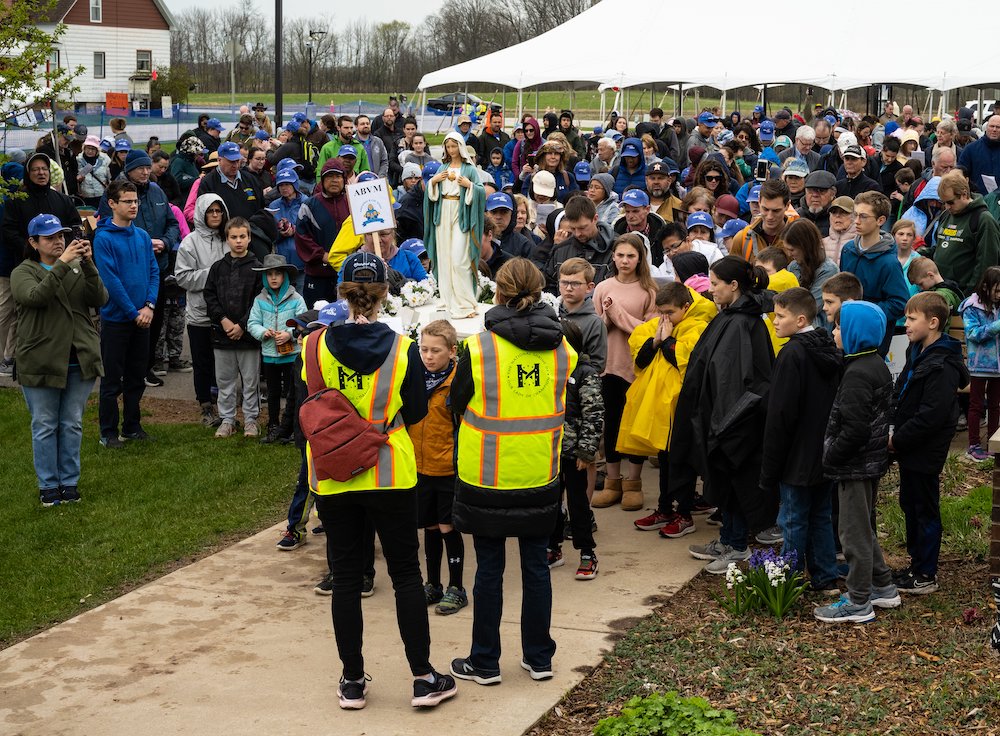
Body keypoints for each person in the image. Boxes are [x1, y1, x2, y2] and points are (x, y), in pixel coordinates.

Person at [301, 251, 458, 709]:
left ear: (341, 292)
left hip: (333, 476)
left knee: (346, 577)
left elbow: (309, 408)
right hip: (390, 471)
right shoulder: (405, 349)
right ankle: (423, 677)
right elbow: (413, 410)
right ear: (385, 294)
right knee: (406, 574)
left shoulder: (313, 346)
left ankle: (352, 680)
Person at [449, 257, 577, 686]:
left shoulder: (480, 348)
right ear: (540, 292)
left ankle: (485, 663)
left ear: (498, 293)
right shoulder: (562, 348)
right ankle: (539, 658)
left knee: (488, 570)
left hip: (487, 475)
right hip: (540, 472)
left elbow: (455, 404)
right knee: (536, 568)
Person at [682, 256, 776, 574]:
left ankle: (737, 545)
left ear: (734, 286)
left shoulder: (743, 323)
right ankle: (727, 537)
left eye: (715, 283)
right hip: (722, 417)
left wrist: (723, 422)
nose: (710, 290)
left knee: (735, 481)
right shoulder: (733, 317)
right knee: (724, 481)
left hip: (735, 421)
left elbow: (738, 379)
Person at [12, 214, 107, 505]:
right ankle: (48, 486)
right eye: (50, 237)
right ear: (33, 242)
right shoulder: (22, 272)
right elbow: (37, 297)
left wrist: (88, 264)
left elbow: (100, 298)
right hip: (40, 359)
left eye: (61, 236)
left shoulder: (78, 267)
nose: (58, 241)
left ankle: (69, 482)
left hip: (79, 357)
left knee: (72, 423)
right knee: (44, 424)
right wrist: (64, 264)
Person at [814, 302, 898, 624]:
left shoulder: (857, 374)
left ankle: (859, 601)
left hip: (854, 465)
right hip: (868, 463)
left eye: (838, 327)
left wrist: (831, 456)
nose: (834, 332)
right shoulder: (872, 363)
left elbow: (855, 430)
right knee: (863, 528)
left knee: (852, 534)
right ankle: (883, 585)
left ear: (853, 333)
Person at [759, 287, 841, 594]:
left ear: (801, 318)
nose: (775, 321)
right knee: (820, 515)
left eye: (781, 316)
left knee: (792, 520)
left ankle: (787, 583)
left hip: (795, 455)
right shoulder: (828, 348)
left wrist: (770, 465)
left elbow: (780, 414)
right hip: (824, 451)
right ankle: (825, 577)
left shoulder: (791, 353)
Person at [890, 292, 969, 594]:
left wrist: (897, 440)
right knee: (909, 502)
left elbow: (931, 415)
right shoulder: (917, 349)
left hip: (925, 447)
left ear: (933, 323)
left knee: (924, 507)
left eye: (912, 319)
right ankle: (916, 564)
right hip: (910, 442)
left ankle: (926, 574)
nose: (906, 324)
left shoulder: (942, 364)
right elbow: (902, 388)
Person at [629, 282, 716, 538]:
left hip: (685, 406)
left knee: (683, 462)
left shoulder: (698, 325)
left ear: (686, 307)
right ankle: (664, 508)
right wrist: (656, 342)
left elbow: (685, 360)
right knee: (665, 459)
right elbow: (642, 361)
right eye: (661, 313)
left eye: (670, 312)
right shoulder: (666, 326)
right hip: (662, 407)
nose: (664, 318)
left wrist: (667, 341)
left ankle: (684, 513)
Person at [589, 234, 658, 512]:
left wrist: (619, 315)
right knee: (613, 424)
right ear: (613, 257)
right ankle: (613, 482)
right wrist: (607, 318)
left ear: (640, 258)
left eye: (631, 255)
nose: (625, 260)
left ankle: (633, 483)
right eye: (620, 255)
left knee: (635, 426)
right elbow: (595, 331)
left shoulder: (649, 291)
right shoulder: (603, 287)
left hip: (636, 368)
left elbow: (650, 334)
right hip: (608, 366)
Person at [405, 320, 467, 615]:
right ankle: (433, 584)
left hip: (447, 468)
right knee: (428, 526)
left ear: (452, 352)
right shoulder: (414, 378)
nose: (428, 356)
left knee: (447, 526)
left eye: (435, 351)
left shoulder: (458, 382)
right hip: (420, 467)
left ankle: (456, 586)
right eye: (423, 349)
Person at [92, 180, 159, 448]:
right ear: (112, 204)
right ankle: (107, 432)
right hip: (117, 320)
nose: (133, 205)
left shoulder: (142, 236)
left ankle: (132, 426)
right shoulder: (103, 237)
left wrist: (150, 306)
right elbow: (111, 282)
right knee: (111, 379)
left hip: (143, 318)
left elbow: (154, 271)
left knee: (135, 376)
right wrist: (134, 312)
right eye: (127, 201)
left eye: (135, 201)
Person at [546, 318, 604, 578]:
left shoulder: (585, 372)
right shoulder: (549, 370)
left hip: (574, 452)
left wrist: (586, 451)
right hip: (549, 450)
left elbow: (594, 413)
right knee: (550, 502)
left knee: (577, 502)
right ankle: (553, 547)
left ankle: (587, 553)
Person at [204, 216, 262, 438]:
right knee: (225, 381)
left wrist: (243, 325)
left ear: (249, 238)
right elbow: (210, 296)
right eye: (234, 237)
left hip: (248, 337)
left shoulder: (258, 268)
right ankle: (227, 419)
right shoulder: (218, 268)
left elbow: (260, 300)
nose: (238, 241)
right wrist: (224, 320)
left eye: (242, 237)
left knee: (250, 381)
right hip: (222, 334)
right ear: (227, 239)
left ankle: (250, 419)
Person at [175, 194, 229, 427]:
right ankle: (205, 404)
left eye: (219, 211)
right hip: (200, 313)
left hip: (226, 313)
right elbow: (182, 277)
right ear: (201, 214)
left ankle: (225, 404)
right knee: (202, 361)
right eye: (211, 211)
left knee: (224, 362)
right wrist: (212, 274)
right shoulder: (190, 243)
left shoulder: (228, 238)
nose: (215, 215)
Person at [838, 191, 909, 355]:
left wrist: (865, 311)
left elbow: (899, 303)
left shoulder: (889, 263)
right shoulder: (848, 249)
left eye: (863, 216)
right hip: (846, 330)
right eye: (855, 215)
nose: (856, 221)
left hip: (873, 339)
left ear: (880, 220)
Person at [424, 131, 485, 319]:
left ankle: (465, 302)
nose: (451, 150)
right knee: (445, 258)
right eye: (448, 147)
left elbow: (481, 192)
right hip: (443, 214)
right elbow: (431, 193)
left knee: (460, 259)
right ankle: (448, 297)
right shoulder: (442, 167)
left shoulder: (469, 169)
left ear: (460, 147)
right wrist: (433, 182)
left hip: (461, 213)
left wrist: (469, 186)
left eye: (454, 146)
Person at [247, 254, 306, 444]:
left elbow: (303, 323)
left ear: (285, 276)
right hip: (270, 355)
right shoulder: (260, 300)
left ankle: (290, 429)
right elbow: (253, 322)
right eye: (269, 274)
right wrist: (263, 332)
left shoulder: (296, 299)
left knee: (292, 393)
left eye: (277, 274)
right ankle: (273, 425)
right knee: (272, 393)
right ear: (264, 277)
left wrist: (289, 333)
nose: (273, 278)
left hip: (291, 355)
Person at [932, 170, 1000, 299]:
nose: (947, 207)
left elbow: (986, 263)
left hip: (964, 295)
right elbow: (939, 247)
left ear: (964, 194)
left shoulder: (983, 219)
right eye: (943, 203)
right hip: (940, 289)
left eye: (950, 202)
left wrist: (970, 295)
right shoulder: (947, 215)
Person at [295, 158, 350, 307]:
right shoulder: (309, 206)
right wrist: (323, 256)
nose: (334, 180)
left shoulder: (352, 203)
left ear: (344, 179)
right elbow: (302, 237)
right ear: (322, 180)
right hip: (318, 275)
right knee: (316, 321)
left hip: (347, 276)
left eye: (338, 176)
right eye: (329, 176)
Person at [961, 267, 1000, 461]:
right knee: (976, 405)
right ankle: (974, 445)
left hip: (999, 367)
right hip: (980, 365)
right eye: (998, 290)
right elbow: (972, 334)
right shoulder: (972, 307)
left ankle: (993, 442)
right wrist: (996, 326)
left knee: (995, 406)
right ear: (986, 287)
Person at [784, 219, 839, 329]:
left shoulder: (828, 270)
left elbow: (811, 306)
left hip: (816, 330)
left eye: (792, 250)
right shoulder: (793, 266)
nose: (789, 254)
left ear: (805, 246)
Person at [557, 257, 607, 372]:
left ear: (589, 287)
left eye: (575, 284)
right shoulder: (550, 313)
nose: (568, 288)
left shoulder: (595, 323)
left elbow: (598, 365)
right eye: (564, 282)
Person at [197, 142, 265, 221]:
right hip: (221, 232)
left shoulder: (251, 180)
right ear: (219, 160)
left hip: (250, 231)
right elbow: (204, 214)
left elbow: (261, 208)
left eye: (237, 161)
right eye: (231, 161)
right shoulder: (208, 183)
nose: (235, 165)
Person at [730, 179, 796, 261]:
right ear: (759, 202)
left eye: (776, 211)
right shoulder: (742, 239)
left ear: (787, 206)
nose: (770, 216)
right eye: (765, 209)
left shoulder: (798, 240)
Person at [958, 114, 1000, 195]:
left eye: (998, 127)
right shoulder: (970, 149)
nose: (994, 129)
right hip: (977, 201)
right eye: (992, 126)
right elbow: (960, 175)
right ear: (986, 127)